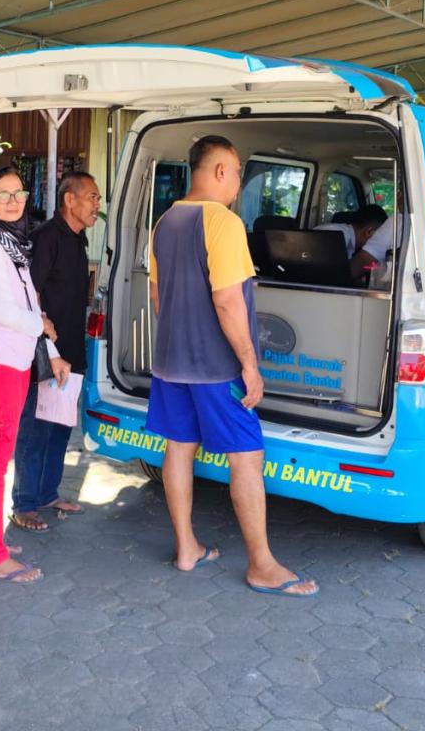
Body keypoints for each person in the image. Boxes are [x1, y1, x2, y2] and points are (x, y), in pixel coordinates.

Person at [147, 135, 318, 597]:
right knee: (246, 455)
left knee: (179, 448)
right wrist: (250, 365)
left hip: (170, 364)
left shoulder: (164, 222)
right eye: (238, 171)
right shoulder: (222, 222)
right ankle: (261, 565)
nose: (239, 180)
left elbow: (158, 296)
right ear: (220, 170)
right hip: (216, 368)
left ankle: (187, 548)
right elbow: (227, 302)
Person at [0, 165, 70, 583]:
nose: (12, 201)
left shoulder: (11, 244)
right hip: (2, 362)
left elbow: (29, 305)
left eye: (18, 193)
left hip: (15, 359)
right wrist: (42, 326)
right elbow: (7, 312)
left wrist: (50, 349)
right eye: (2, 194)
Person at [10, 171, 100, 533]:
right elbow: (29, 296)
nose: (97, 205)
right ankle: (24, 503)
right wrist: (46, 347)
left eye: (97, 198)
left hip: (72, 349)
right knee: (35, 428)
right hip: (44, 352)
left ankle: (47, 493)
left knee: (60, 425)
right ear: (69, 199)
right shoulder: (45, 238)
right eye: (91, 197)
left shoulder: (78, 240)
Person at [314, 204, 388, 281]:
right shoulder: (338, 237)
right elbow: (329, 277)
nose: (380, 240)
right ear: (368, 231)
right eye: (380, 236)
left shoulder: (344, 236)